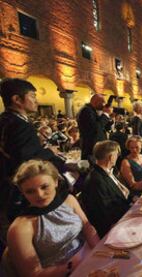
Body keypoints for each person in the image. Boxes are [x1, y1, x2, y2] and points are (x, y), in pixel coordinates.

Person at [6, 160, 99, 276]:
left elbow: (87, 228)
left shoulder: (69, 200)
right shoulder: (20, 228)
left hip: (90, 257)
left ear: (56, 182)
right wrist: (72, 266)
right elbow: (33, 274)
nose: (39, 195)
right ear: (22, 192)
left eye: (44, 187)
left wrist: (99, 251)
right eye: (30, 191)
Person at [0, 78, 65, 221]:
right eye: (33, 96)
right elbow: (26, 159)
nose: (36, 101)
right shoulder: (20, 125)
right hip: (23, 189)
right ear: (17, 99)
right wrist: (50, 152)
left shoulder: (5, 120)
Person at [81, 140, 132, 238]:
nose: (117, 157)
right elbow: (105, 213)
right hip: (116, 227)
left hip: (125, 212)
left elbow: (119, 192)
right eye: (117, 154)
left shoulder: (106, 171)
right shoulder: (96, 180)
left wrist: (133, 199)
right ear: (111, 157)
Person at [76, 93, 112, 160]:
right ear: (96, 102)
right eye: (103, 103)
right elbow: (96, 128)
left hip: (95, 147)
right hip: (91, 148)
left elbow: (103, 127)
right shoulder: (86, 111)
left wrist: (108, 117)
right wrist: (106, 114)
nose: (104, 105)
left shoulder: (93, 111)